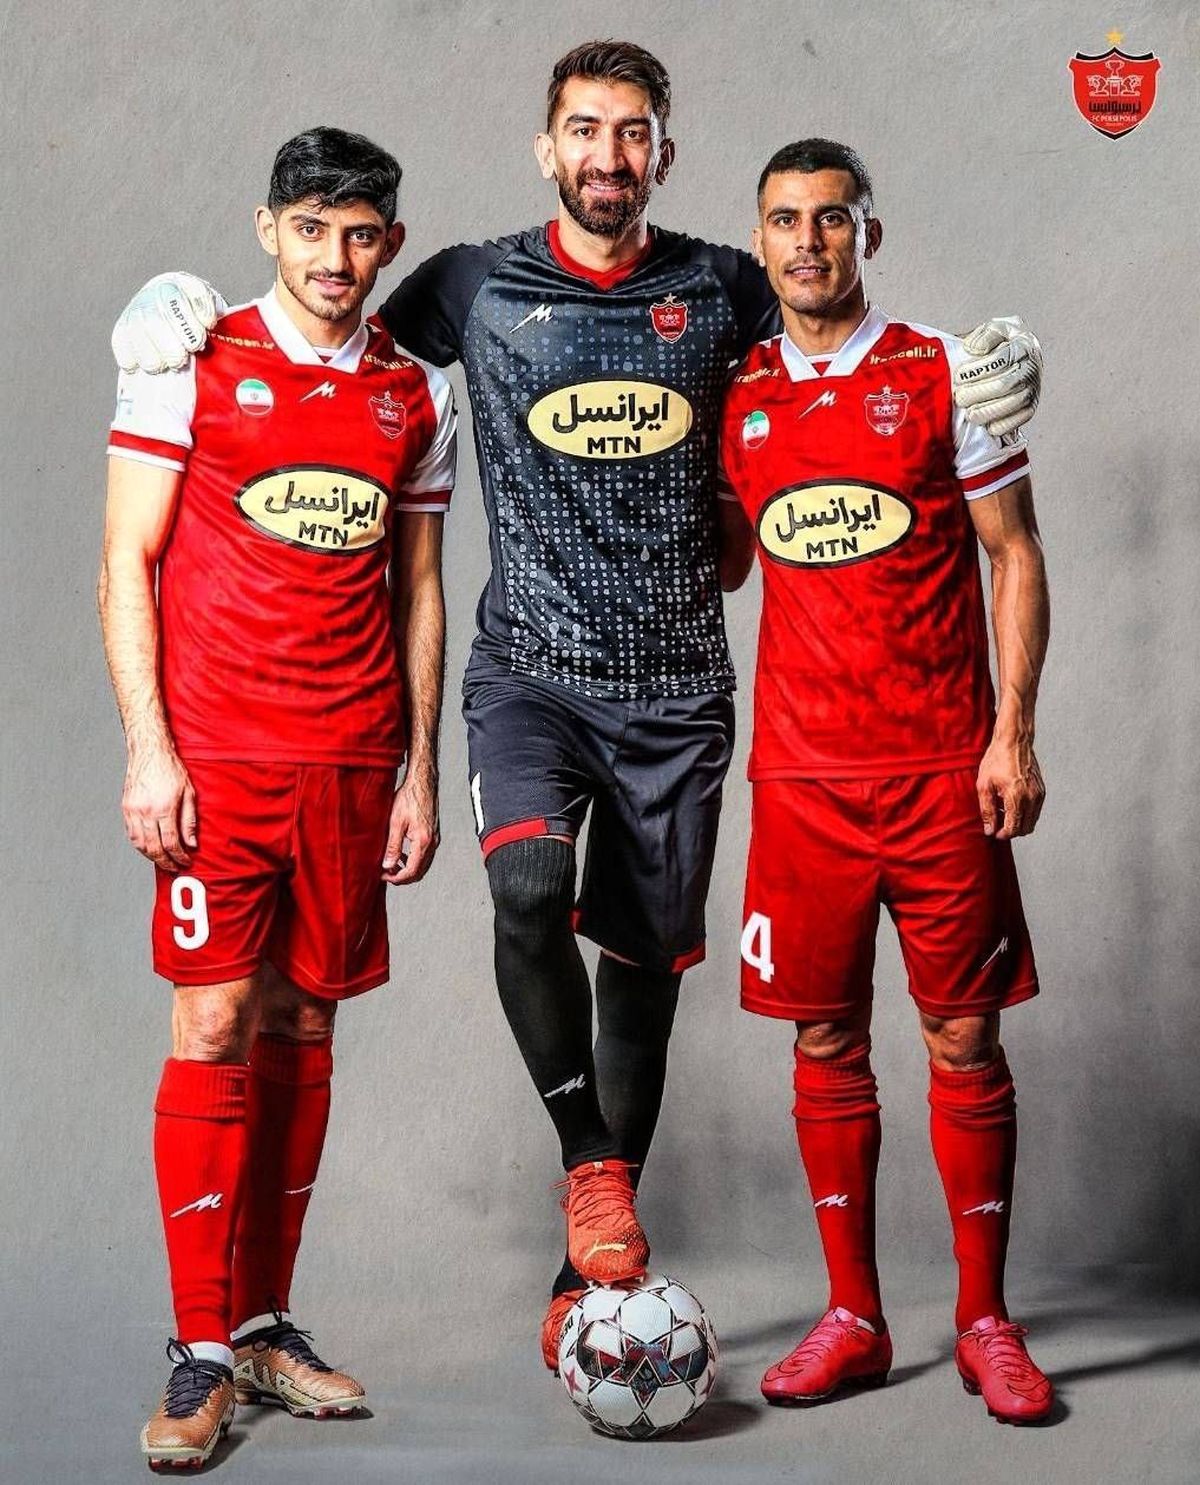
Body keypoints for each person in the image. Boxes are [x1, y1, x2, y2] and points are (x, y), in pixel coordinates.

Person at [108, 42, 1043, 1375]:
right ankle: (589, 1163)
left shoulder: (723, 283)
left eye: (634, 132)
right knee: (530, 889)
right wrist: (174, 311)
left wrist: (980, 364)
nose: (609, 155)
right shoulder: (473, 284)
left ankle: (583, 1268)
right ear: (547, 149)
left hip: (678, 690)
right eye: (586, 130)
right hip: (531, 674)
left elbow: (837, 329)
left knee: (646, 965)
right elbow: (331, 325)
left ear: (664, 153)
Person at [99, 127, 456, 1468]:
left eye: (360, 234)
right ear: (268, 231)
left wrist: (419, 768)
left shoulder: (416, 393)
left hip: (351, 762)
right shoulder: (188, 360)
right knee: (212, 1018)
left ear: (390, 244)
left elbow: (419, 591)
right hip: (221, 759)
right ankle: (199, 1350)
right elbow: (124, 560)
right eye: (311, 229)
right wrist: (151, 751)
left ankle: (260, 1324)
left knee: (306, 1019)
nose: (335, 258)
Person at [719, 138, 1052, 1424]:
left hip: (938, 770)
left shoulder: (943, 373)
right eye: (784, 220)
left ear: (869, 232)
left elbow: (1015, 555)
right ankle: (853, 1317)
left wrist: (1012, 731)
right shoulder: (738, 397)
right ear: (759, 241)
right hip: (804, 778)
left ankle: (984, 1322)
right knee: (824, 1037)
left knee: (964, 1036)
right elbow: (725, 561)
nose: (808, 241)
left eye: (831, 218)